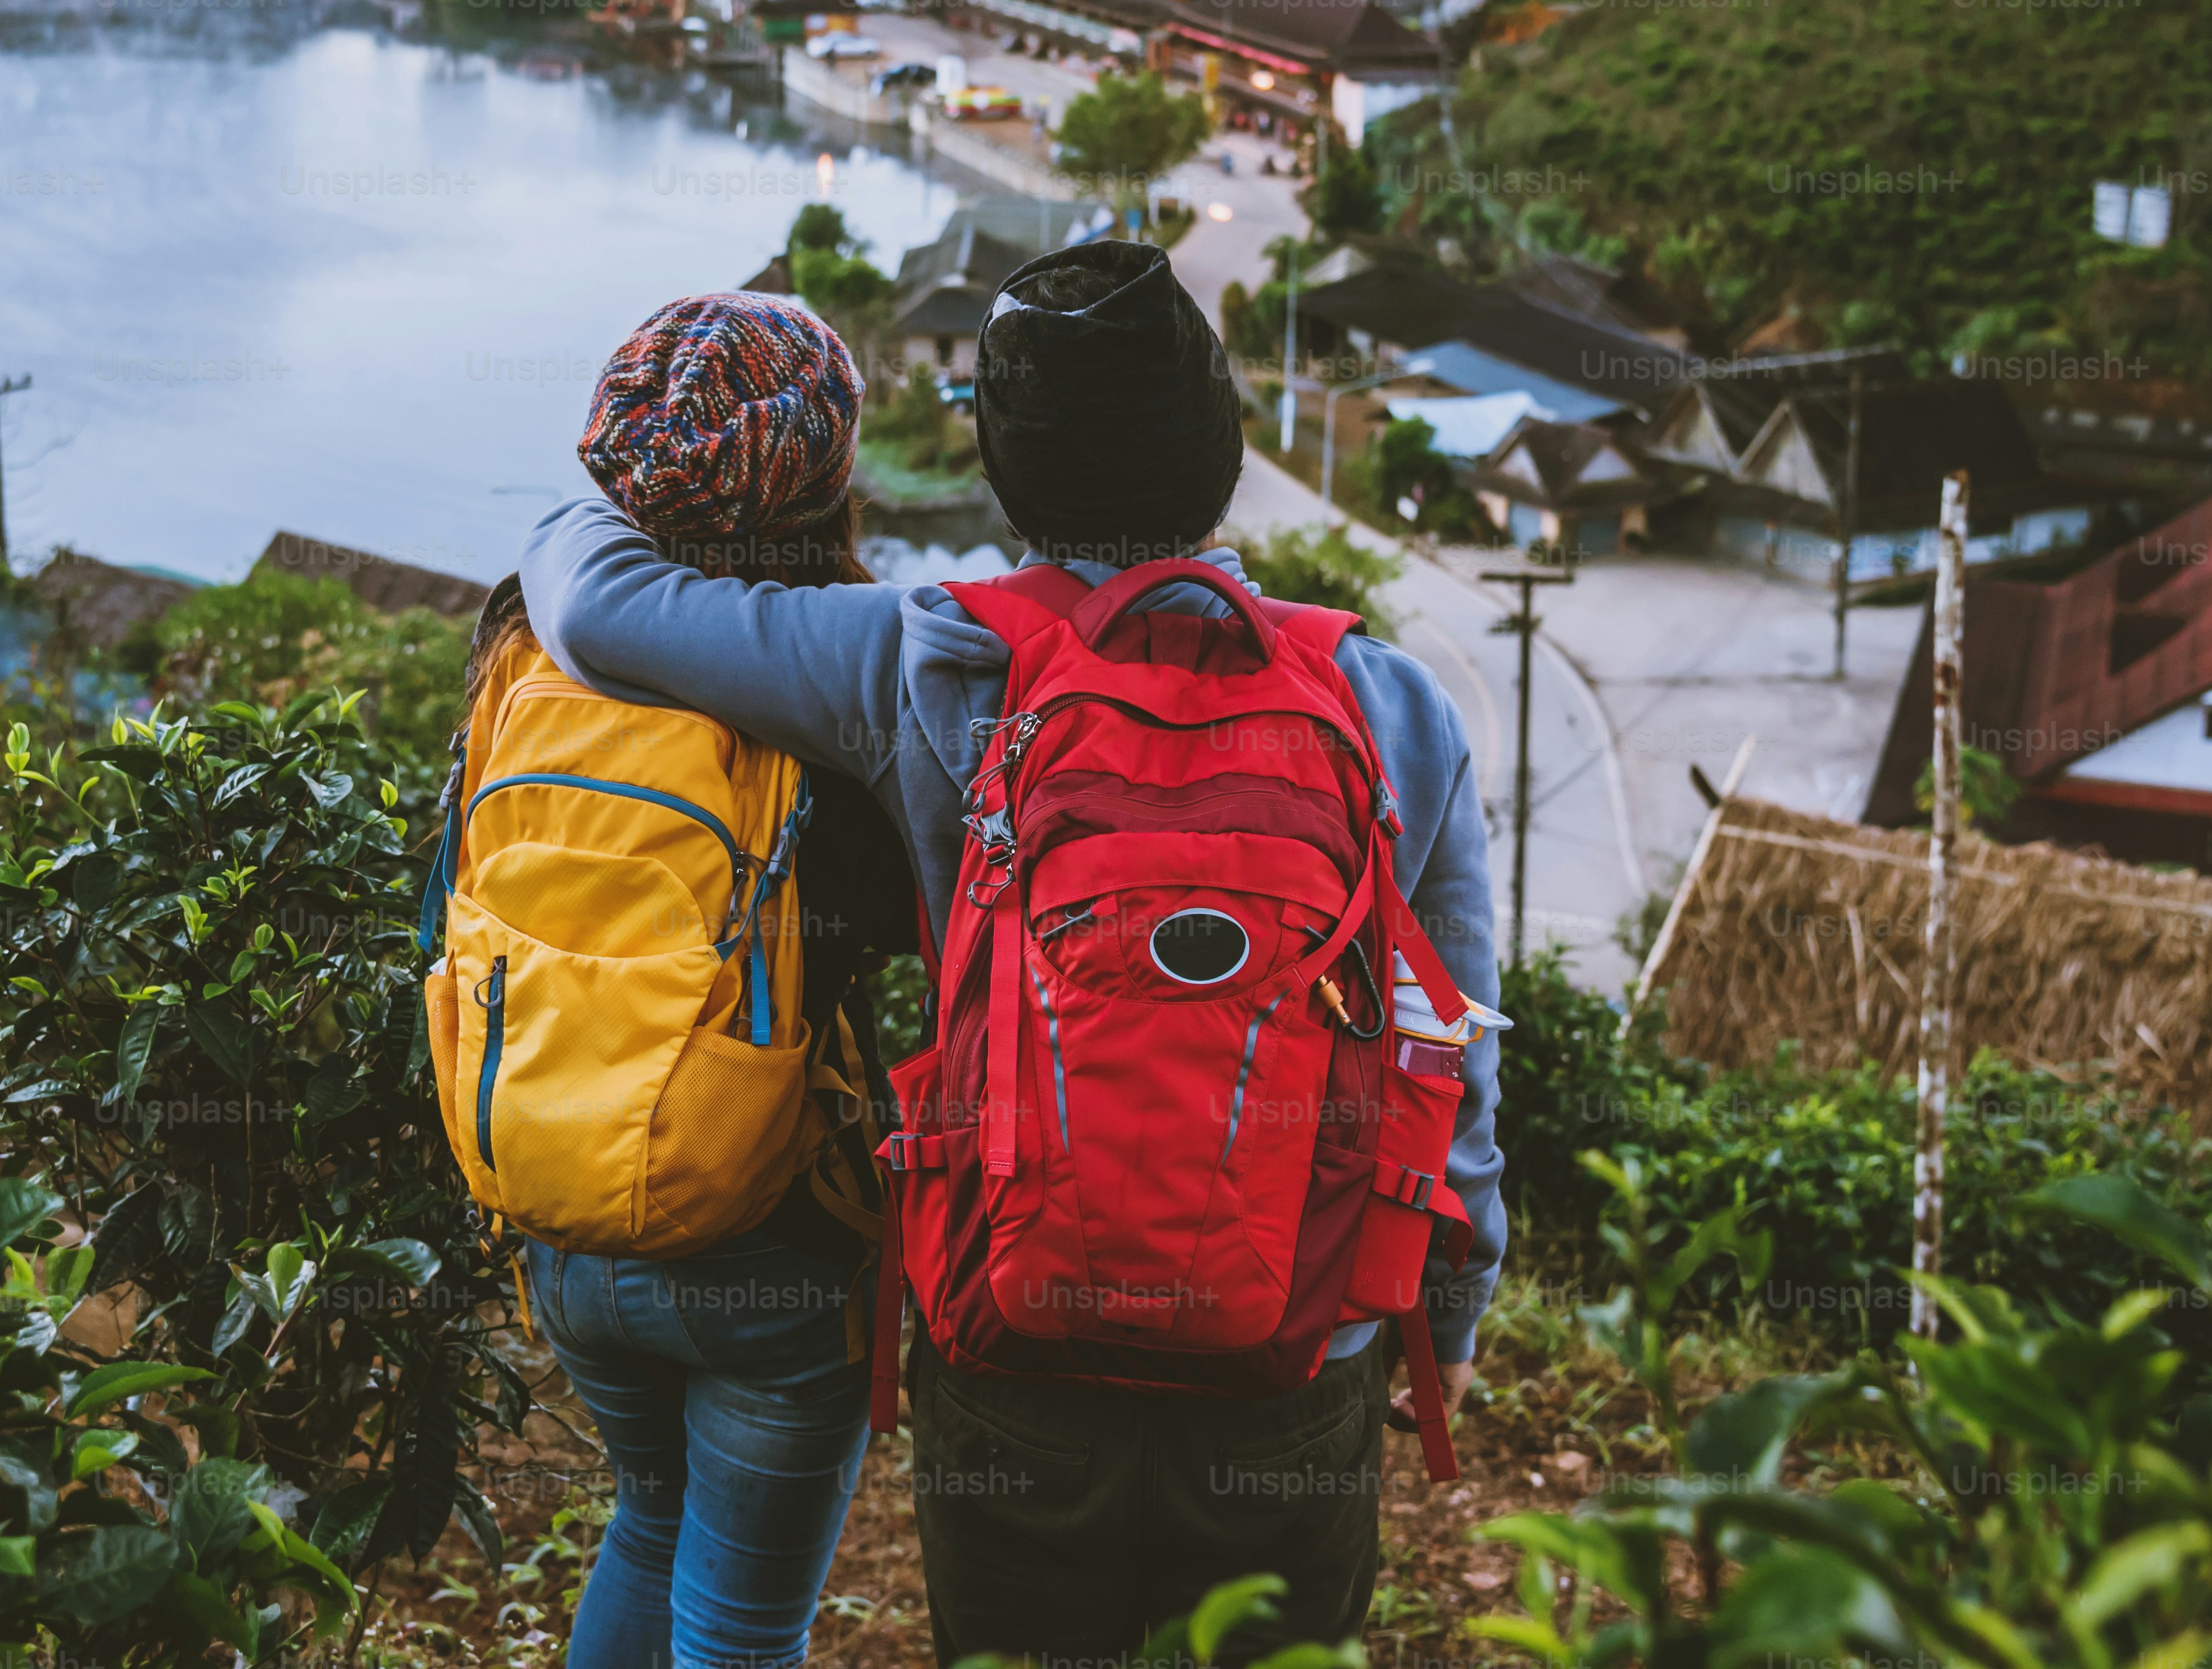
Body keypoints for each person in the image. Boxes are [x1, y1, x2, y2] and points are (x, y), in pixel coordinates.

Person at [513, 240, 1503, 1662]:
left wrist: (610, 484)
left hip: (1013, 1347)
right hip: (1293, 1352)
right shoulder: (1384, 698)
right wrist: (1448, 1312)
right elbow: (1448, 1041)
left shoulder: (928, 662)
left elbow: (596, 609)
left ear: (1004, 473)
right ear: (1220, 454)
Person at [462, 291, 921, 1669]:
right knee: (739, 1628)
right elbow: (908, 917)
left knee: (647, 1522)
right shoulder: (830, 684)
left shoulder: (520, 646)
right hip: (765, 1223)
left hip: (564, 1203)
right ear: (823, 481)